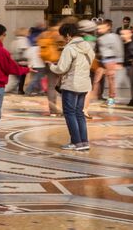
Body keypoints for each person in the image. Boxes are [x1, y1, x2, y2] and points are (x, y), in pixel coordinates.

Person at [52, 20, 95, 150]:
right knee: (79, 113)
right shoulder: (88, 46)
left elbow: (61, 68)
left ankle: (76, 142)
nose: (64, 40)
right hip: (84, 84)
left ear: (68, 35)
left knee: (70, 113)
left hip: (71, 84)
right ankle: (83, 141)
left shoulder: (70, 48)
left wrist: (51, 66)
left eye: (64, 37)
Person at [94, 20, 125, 108]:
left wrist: (119, 61)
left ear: (108, 27)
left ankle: (111, 99)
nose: (99, 30)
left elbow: (118, 49)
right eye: (98, 28)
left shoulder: (114, 37)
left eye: (101, 28)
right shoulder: (99, 38)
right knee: (97, 79)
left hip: (110, 60)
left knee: (111, 80)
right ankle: (95, 96)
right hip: (101, 60)